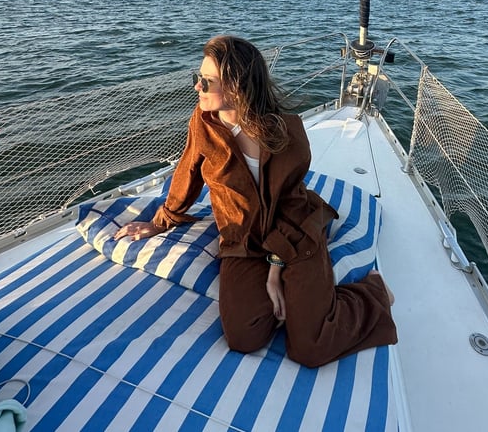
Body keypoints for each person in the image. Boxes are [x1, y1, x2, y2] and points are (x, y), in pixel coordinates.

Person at [115, 35, 396, 368]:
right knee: (243, 336)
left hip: (293, 229)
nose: (198, 88)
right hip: (242, 239)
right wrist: (161, 221)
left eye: (207, 82)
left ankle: (374, 293)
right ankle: (299, 301)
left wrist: (276, 269)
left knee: (311, 347)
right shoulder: (203, 123)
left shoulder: (287, 135)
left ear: (236, 86)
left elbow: (290, 203)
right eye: (198, 78)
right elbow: (186, 171)